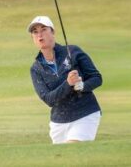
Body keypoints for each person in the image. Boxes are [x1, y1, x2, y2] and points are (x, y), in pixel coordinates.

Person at [28, 16, 102, 144]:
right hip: (58, 122)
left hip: (85, 114)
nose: (40, 34)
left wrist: (82, 85)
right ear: (33, 38)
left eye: (44, 29)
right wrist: (68, 84)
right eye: (35, 32)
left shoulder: (73, 52)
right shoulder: (36, 68)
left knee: (73, 148)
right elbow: (48, 99)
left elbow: (96, 78)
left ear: (53, 32)